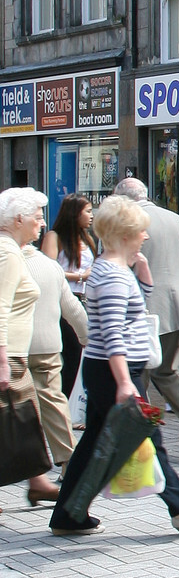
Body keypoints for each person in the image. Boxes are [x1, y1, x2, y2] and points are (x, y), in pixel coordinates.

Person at [49, 193, 179, 539]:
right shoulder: (111, 275)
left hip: (113, 371)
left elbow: (129, 313)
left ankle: (67, 515)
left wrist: (143, 273)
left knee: (96, 441)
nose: (146, 236)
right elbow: (112, 334)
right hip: (117, 373)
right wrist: (125, 382)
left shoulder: (114, 270)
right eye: (141, 231)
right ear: (125, 235)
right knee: (150, 437)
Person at [114, 177, 179, 461]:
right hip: (176, 308)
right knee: (167, 371)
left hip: (140, 310)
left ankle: (140, 445)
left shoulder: (126, 223)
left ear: (124, 199)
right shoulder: (177, 220)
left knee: (137, 375)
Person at [0, 187, 58, 510]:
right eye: (37, 217)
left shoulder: (11, 250)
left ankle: (38, 482)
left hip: (15, 354)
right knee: (18, 422)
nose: (41, 224)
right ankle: (38, 482)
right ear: (19, 219)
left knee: (26, 421)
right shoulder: (7, 253)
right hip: (8, 356)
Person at [22, 224, 87, 491]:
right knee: (53, 402)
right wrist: (89, 339)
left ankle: (35, 474)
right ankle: (69, 460)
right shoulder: (49, 266)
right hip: (47, 345)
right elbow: (72, 307)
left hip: (15, 348)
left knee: (14, 413)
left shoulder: (8, 262)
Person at [44, 194, 96, 396]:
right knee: (71, 351)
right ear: (75, 213)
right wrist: (80, 276)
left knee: (79, 352)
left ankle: (72, 403)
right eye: (88, 211)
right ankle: (61, 399)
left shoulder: (87, 237)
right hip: (63, 300)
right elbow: (49, 268)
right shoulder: (54, 237)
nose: (91, 216)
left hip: (84, 299)